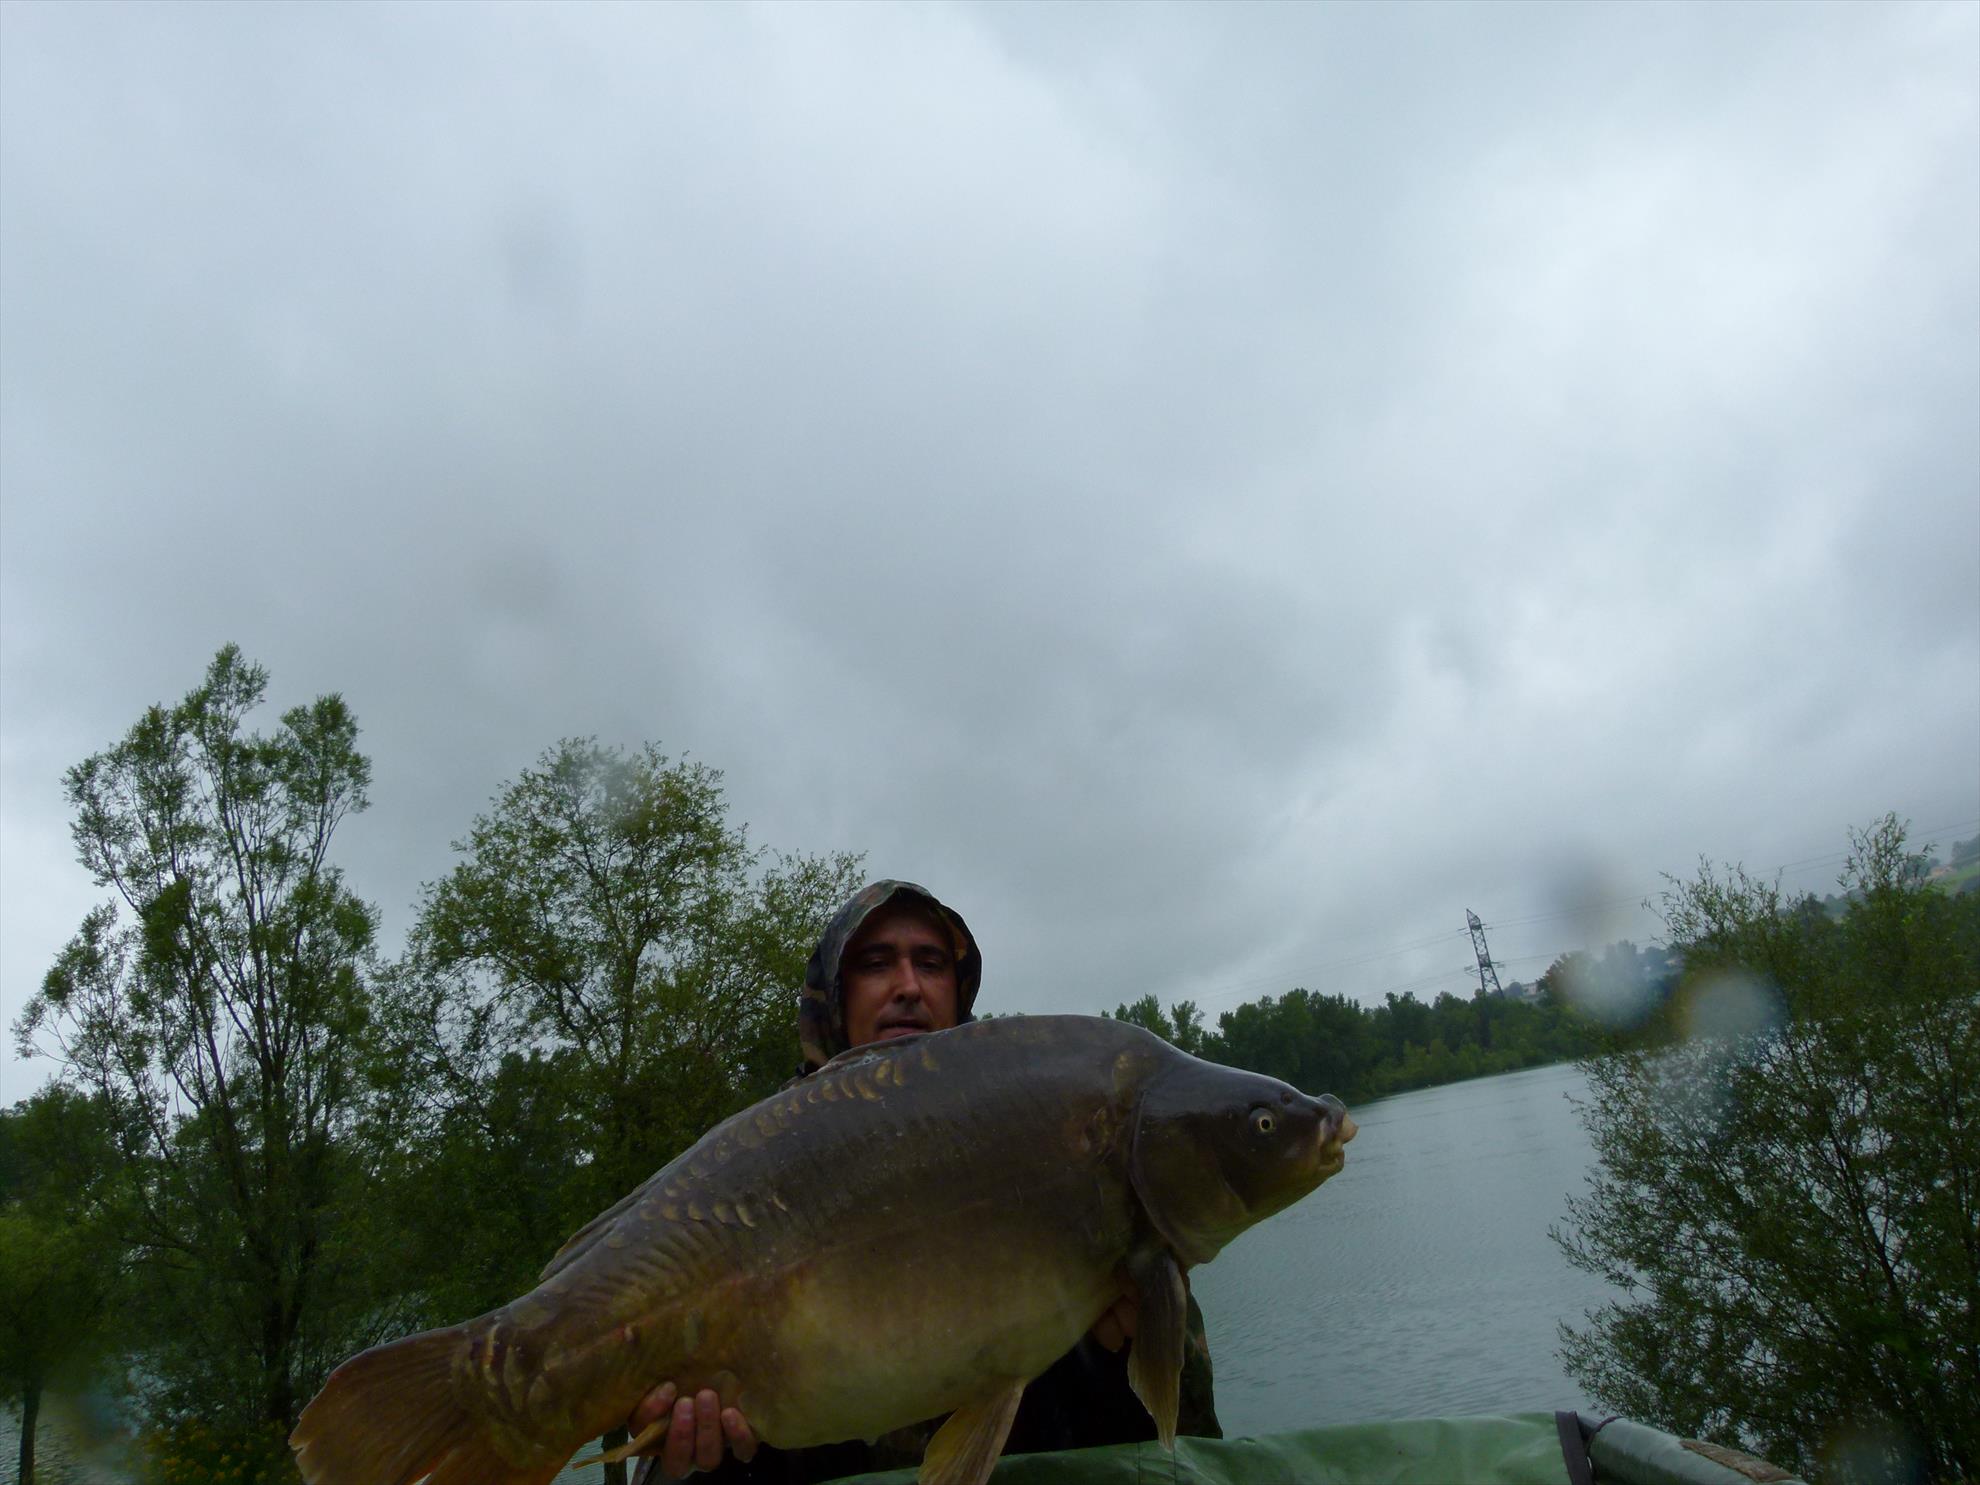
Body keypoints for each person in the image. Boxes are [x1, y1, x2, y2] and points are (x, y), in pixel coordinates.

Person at [627, 881, 1221, 1483]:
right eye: (876, 963)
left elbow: (1189, 1447)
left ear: (958, 993)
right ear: (835, 997)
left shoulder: (1061, 1154)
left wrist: (1117, 1355)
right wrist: (710, 1454)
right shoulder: (744, 1181)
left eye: (931, 964)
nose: (908, 986)